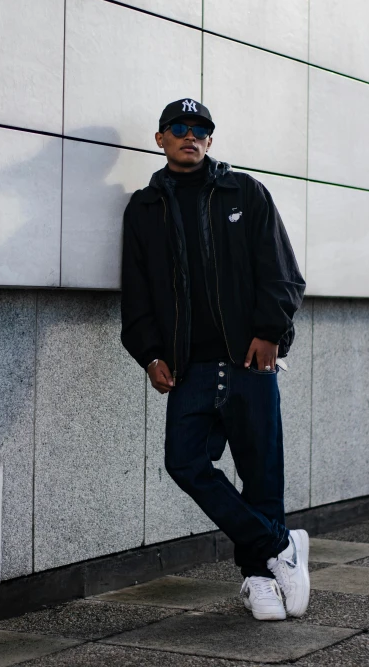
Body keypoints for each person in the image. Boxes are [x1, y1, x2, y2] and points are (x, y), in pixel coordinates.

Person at [121, 98, 309, 621]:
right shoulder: (143, 208)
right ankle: (279, 545)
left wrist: (271, 333)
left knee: (261, 472)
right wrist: (149, 353)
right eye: (178, 128)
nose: (190, 135)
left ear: (210, 139)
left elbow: (281, 270)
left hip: (250, 360)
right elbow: (135, 293)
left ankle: (259, 581)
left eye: (200, 128)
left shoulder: (244, 192)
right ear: (160, 139)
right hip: (189, 366)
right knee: (184, 461)